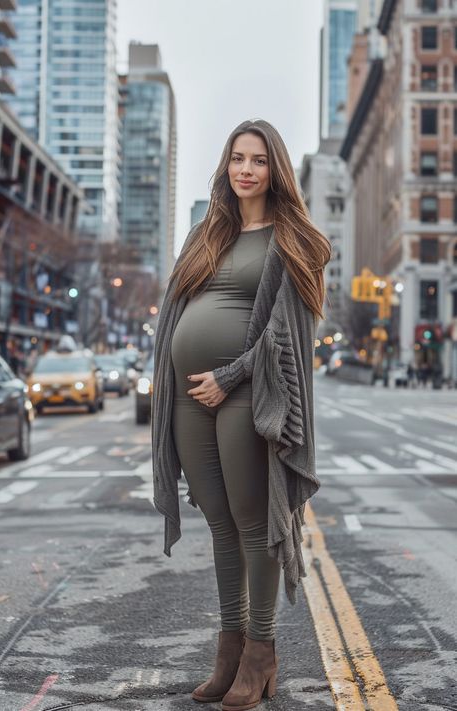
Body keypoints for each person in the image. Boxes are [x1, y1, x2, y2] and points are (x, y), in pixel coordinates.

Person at [152, 119, 331, 711]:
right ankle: (228, 652)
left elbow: (290, 335)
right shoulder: (207, 233)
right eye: (237, 158)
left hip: (247, 394)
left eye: (258, 159)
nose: (246, 169)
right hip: (185, 395)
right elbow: (177, 310)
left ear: (275, 169)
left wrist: (229, 374)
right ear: (226, 167)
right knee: (220, 525)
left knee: (254, 523)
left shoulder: (294, 239)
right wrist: (176, 374)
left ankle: (261, 652)